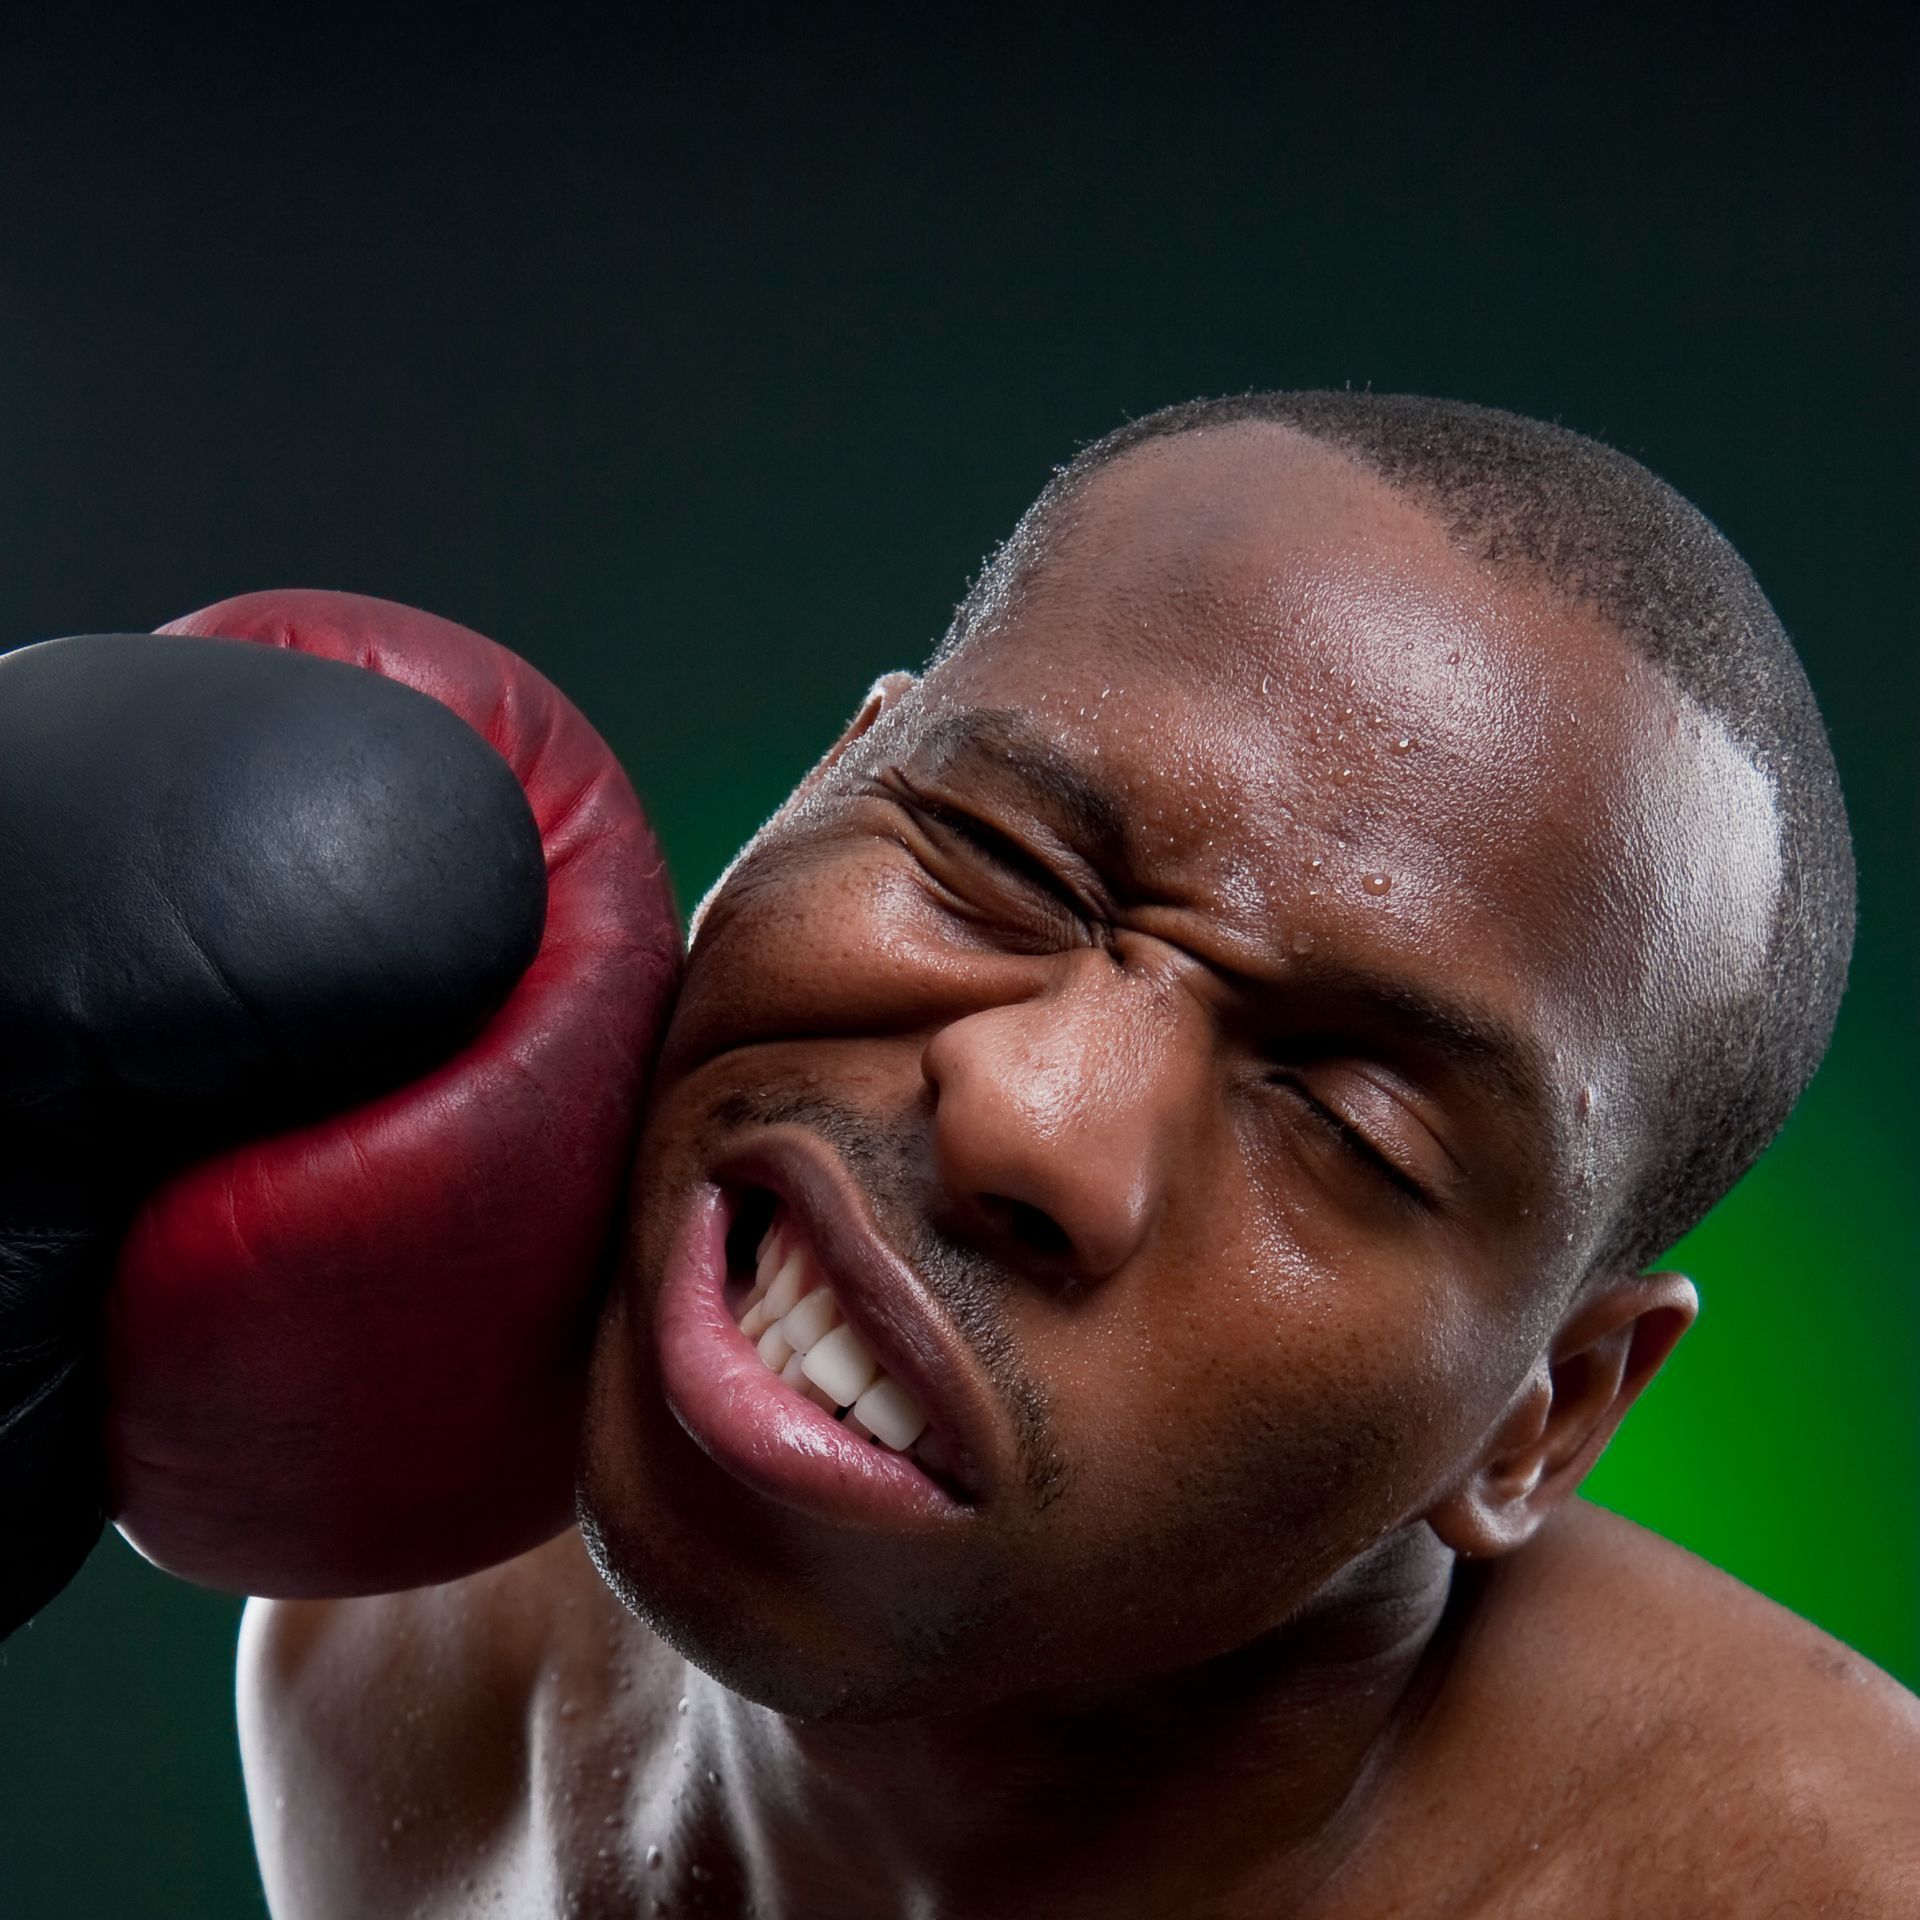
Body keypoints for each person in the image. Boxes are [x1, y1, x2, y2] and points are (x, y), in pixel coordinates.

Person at [238, 394, 1919, 1917]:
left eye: (1349, 1124)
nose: (1031, 1116)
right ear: (832, 781)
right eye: (995, 866)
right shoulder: (397, 1649)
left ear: (1549, 1413)